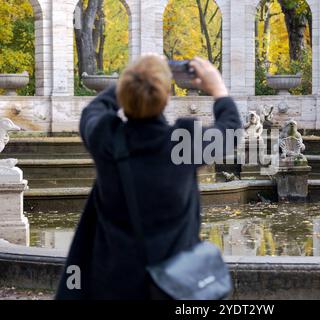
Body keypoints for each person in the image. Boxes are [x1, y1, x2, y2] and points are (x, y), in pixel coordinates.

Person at [55, 55, 242, 300]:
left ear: (123, 92)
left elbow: (93, 110)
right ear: (166, 97)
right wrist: (217, 87)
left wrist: (137, 77)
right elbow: (231, 128)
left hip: (113, 284)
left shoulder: (107, 138)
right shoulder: (183, 144)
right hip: (173, 286)